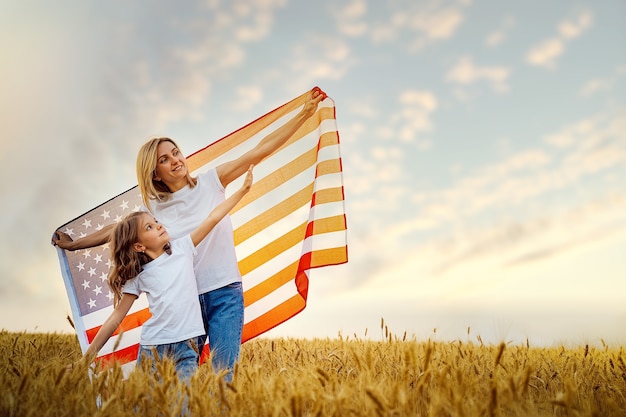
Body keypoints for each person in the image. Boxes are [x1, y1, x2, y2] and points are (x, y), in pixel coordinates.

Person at [53, 86, 327, 381]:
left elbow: (260, 150)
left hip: (225, 294)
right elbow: (116, 230)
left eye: (176, 152)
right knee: (181, 380)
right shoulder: (153, 211)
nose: (175, 160)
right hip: (187, 303)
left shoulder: (213, 181)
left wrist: (304, 114)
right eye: (165, 159)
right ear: (155, 173)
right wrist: (76, 245)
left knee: (224, 379)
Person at [80, 165, 253, 384]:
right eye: (149, 228)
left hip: (188, 349)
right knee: (148, 405)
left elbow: (212, 218)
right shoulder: (139, 275)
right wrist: (87, 358)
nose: (159, 226)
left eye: (156, 222)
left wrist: (243, 191)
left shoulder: (183, 248)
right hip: (154, 347)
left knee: (182, 407)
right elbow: (116, 317)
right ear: (138, 246)